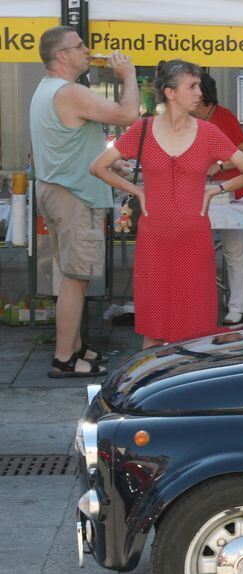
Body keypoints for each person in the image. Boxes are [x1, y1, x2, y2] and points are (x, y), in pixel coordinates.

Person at [90, 60, 243, 349]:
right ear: (170, 92)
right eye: (191, 86)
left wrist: (215, 190)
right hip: (154, 238)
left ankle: (190, 375)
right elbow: (98, 167)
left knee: (197, 324)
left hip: (194, 238)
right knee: (153, 325)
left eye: (198, 86)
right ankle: (150, 376)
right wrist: (137, 191)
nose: (199, 93)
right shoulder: (142, 130)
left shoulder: (208, 133)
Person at [30, 26, 140, 378]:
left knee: (71, 275)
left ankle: (76, 348)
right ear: (61, 55)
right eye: (79, 46)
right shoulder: (70, 91)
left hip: (57, 190)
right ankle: (64, 359)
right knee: (76, 279)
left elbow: (70, 141)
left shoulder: (46, 89)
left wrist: (111, 163)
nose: (87, 50)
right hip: (74, 195)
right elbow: (128, 115)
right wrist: (128, 74)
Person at [192, 72, 243, 325]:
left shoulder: (223, 117)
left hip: (234, 190)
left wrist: (219, 165)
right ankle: (201, 302)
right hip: (202, 192)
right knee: (198, 250)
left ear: (204, 99)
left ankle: (237, 306)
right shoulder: (188, 119)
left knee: (234, 250)